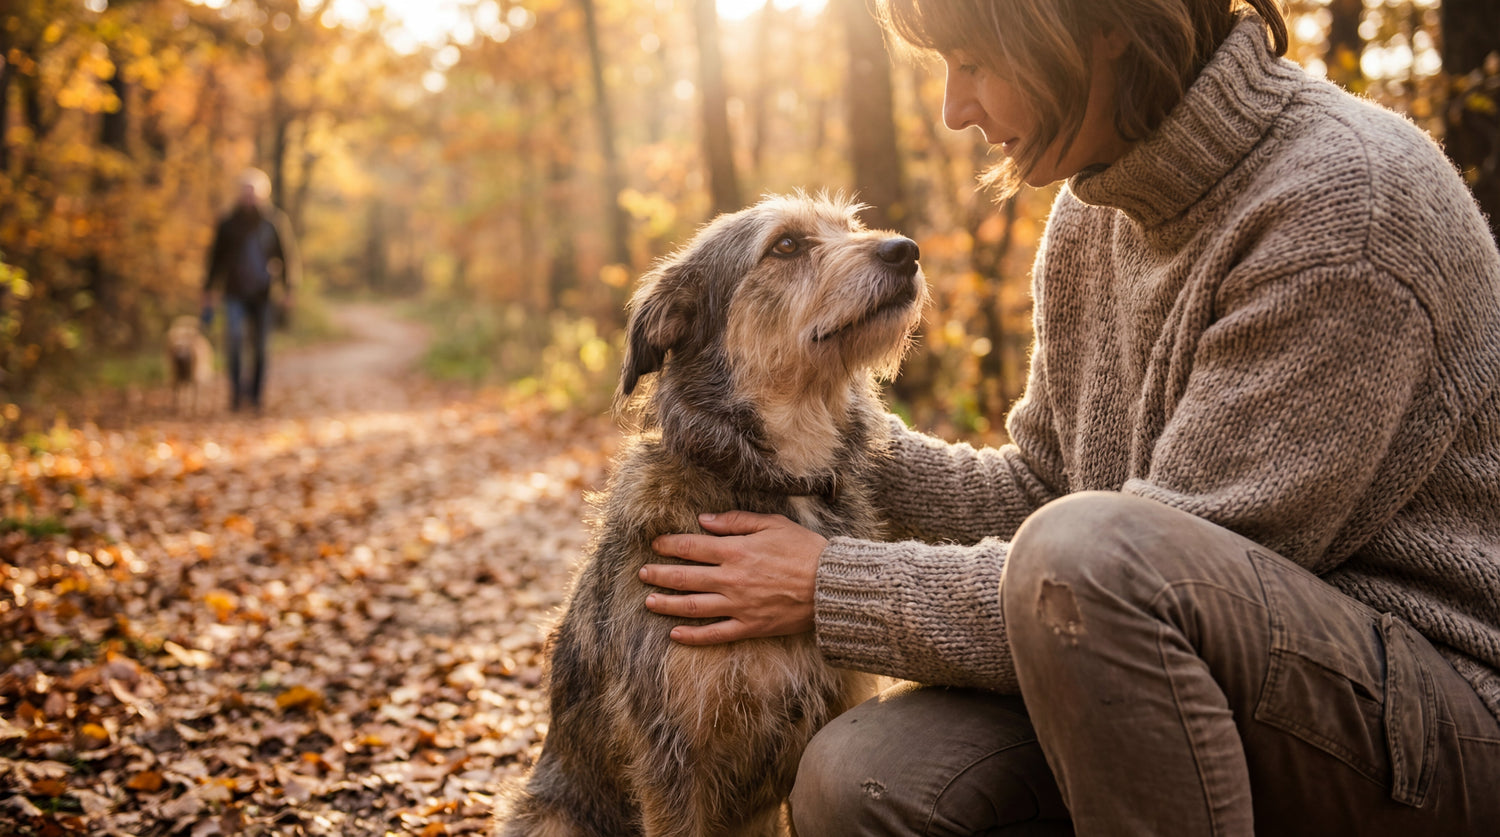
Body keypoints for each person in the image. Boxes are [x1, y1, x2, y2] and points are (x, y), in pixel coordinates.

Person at [639, 0, 1500, 833]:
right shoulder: (1096, 213)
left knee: (1087, 557)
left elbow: (1125, 580)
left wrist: (827, 583)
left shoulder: (1342, 210)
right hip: (1217, 687)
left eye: (973, 62)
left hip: (1435, 730)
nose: (954, 109)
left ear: (1099, 28)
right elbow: (1044, 493)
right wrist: (792, 443)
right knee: (864, 776)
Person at [201, 167, 298, 412]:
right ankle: (236, 393)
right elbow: (215, 259)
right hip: (234, 291)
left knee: (260, 346)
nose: (248, 196)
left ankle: (255, 396)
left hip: (263, 293)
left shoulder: (274, 221)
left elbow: (287, 257)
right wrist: (208, 290)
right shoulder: (228, 222)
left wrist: (289, 289)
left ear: (263, 194)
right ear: (239, 193)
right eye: (245, 191)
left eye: (253, 191)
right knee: (233, 339)